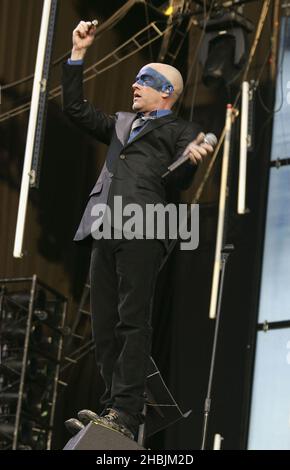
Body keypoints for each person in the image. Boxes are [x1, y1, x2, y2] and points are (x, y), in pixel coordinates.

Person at [62, 20, 213, 441]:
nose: (134, 85)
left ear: (166, 91)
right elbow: (75, 110)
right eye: (134, 79)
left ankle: (127, 413)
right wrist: (77, 55)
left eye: (145, 80)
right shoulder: (123, 124)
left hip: (144, 225)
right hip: (106, 225)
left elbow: (180, 173)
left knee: (132, 318)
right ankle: (115, 407)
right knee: (104, 323)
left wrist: (192, 156)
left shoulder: (181, 130)